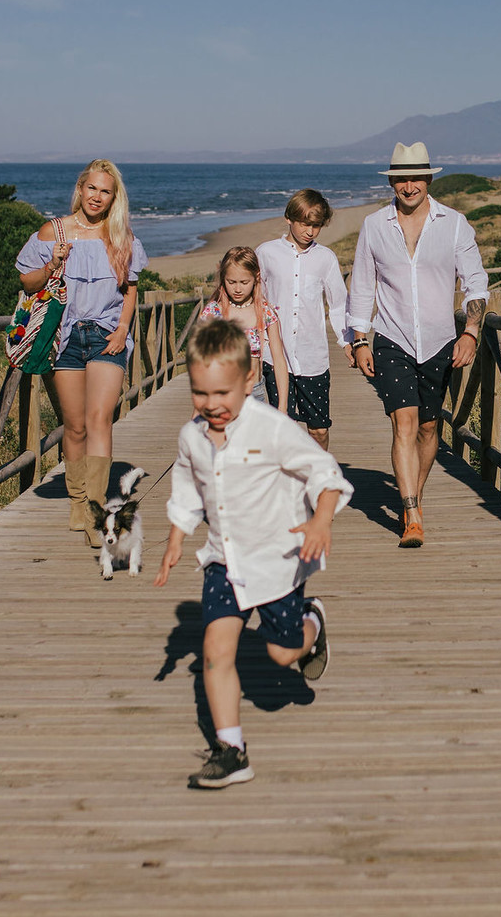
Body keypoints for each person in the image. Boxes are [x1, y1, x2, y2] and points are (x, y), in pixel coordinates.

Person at [153, 319, 350, 789]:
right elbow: (187, 484)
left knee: (283, 655)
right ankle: (231, 749)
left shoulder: (272, 428)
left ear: (247, 381)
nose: (211, 405)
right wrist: (177, 535)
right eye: (200, 393)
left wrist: (322, 519)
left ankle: (313, 623)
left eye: (222, 393)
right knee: (216, 652)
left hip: (277, 561)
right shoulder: (191, 437)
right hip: (224, 560)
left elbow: (324, 471)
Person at [345, 141, 489, 549]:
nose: (409, 186)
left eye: (416, 178)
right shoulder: (375, 225)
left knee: (429, 427)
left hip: (441, 340)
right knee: (403, 423)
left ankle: (415, 495)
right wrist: (358, 339)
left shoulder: (454, 223)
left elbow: (476, 283)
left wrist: (471, 332)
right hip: (392, 338)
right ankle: (410, 515)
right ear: (392, 181)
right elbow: (361, 286)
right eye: (401, 179)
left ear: (428, 179)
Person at [15, 159, 149, 546]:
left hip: (106, 333)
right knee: (73, 426)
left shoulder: (121, 236)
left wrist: (124, 329)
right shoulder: (52, 231)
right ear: (81, 188)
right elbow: (27, 280)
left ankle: (95, 511)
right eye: (92, 188)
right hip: (63, 337)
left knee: (99, 418)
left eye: (105, 191)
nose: (97, 196)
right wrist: (53, 262)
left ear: (113, 197)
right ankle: (77, 502)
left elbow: (130, 289)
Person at [255, 188, 349, 451]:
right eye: (305, 223)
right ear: (289, 218)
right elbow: (254, 298)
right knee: (280, 426)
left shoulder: (326, 258)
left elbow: (339, 304)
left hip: (312, 358)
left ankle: (318, 476)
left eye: (316, 225)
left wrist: (349, 342)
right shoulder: (266, 253)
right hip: (273, 357)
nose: (310, 231)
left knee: (318, 429)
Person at [199, 247, 290, 412]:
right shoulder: (213, 313)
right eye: (231, 282)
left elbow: (279, 360)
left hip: (255, 393)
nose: (238, 289)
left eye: (244, 282)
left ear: (256, 278)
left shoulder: (265, 312)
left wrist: (282, 406)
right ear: (223, 278)